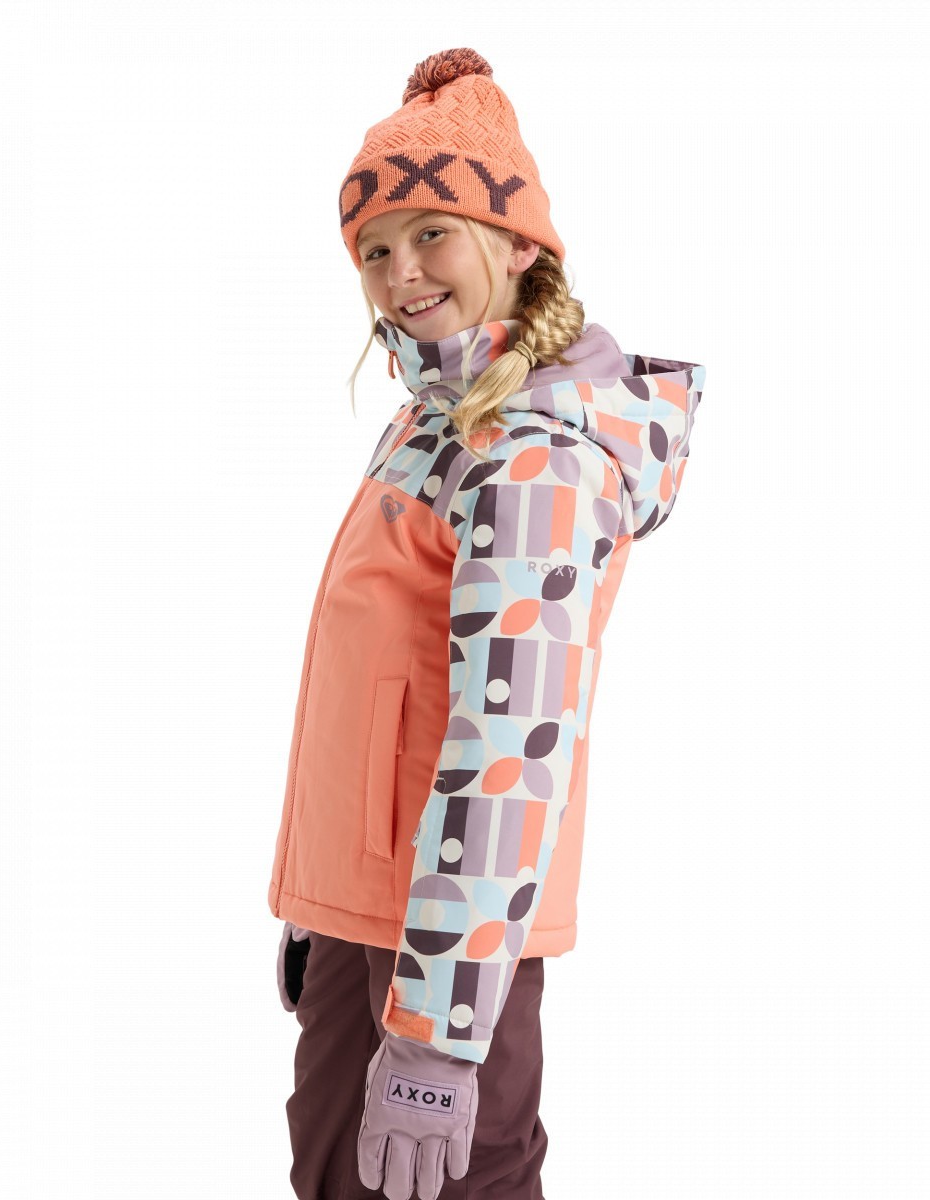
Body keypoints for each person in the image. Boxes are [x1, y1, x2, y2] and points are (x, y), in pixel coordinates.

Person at [268, 46, 706, 1200]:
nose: (399, 273)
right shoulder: (438, 419)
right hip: (378, 919)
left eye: (432, 233)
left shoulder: (536, 459)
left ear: (516, 245)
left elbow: (509, 751)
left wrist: (438, 1037)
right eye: (374, 248)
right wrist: (323, 897)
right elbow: (382, 694)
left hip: (447, 959)